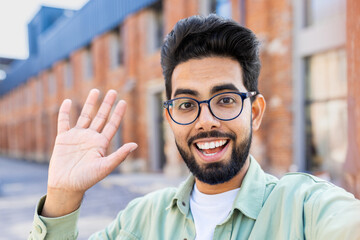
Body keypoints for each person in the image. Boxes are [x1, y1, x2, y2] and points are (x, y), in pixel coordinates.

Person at [29, 14, 360, 240]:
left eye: (226, 99)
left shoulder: (307, 210)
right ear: (170, 118)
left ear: (255, 112)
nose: (206, 121)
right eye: (187, 105)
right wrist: (62, 198)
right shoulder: (140, 221)